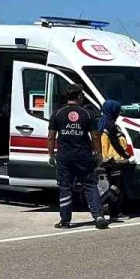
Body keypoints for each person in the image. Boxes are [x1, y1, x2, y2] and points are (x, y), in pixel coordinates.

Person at [48, 84, 107, 229]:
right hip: (84, 157)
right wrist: (99, 154)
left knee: (65, 187)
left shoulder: (57, 114)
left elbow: (51, 137)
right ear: (80, 97)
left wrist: (50, 154)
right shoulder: (87, 114)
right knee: (90, 185)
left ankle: (65, 220)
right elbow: (95, 137)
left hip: (64, 157)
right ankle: (98, 216)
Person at [96, 100, 134, 220]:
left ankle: (115, 212)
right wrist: (126, 155)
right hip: (114, 160)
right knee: (116, 187)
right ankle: (99, 206)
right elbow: (115, 144)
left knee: (115, 186)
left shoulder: (101, 123)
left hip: (108, 159)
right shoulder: (110, 125)